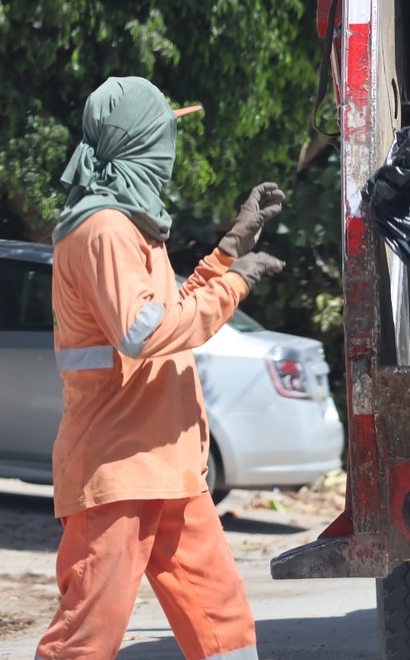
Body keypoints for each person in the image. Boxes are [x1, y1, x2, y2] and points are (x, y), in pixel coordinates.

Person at [35, 76, 284, 660]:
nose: (171, 150)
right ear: (142, 144)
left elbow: (166, 311)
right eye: (165, 135)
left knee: (225, 628)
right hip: (118, 468)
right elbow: (146, 334)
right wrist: (235, 284)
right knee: (84, 640)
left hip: (165, 466)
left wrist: (227, 253)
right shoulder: (103, 229)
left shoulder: (133, 227)